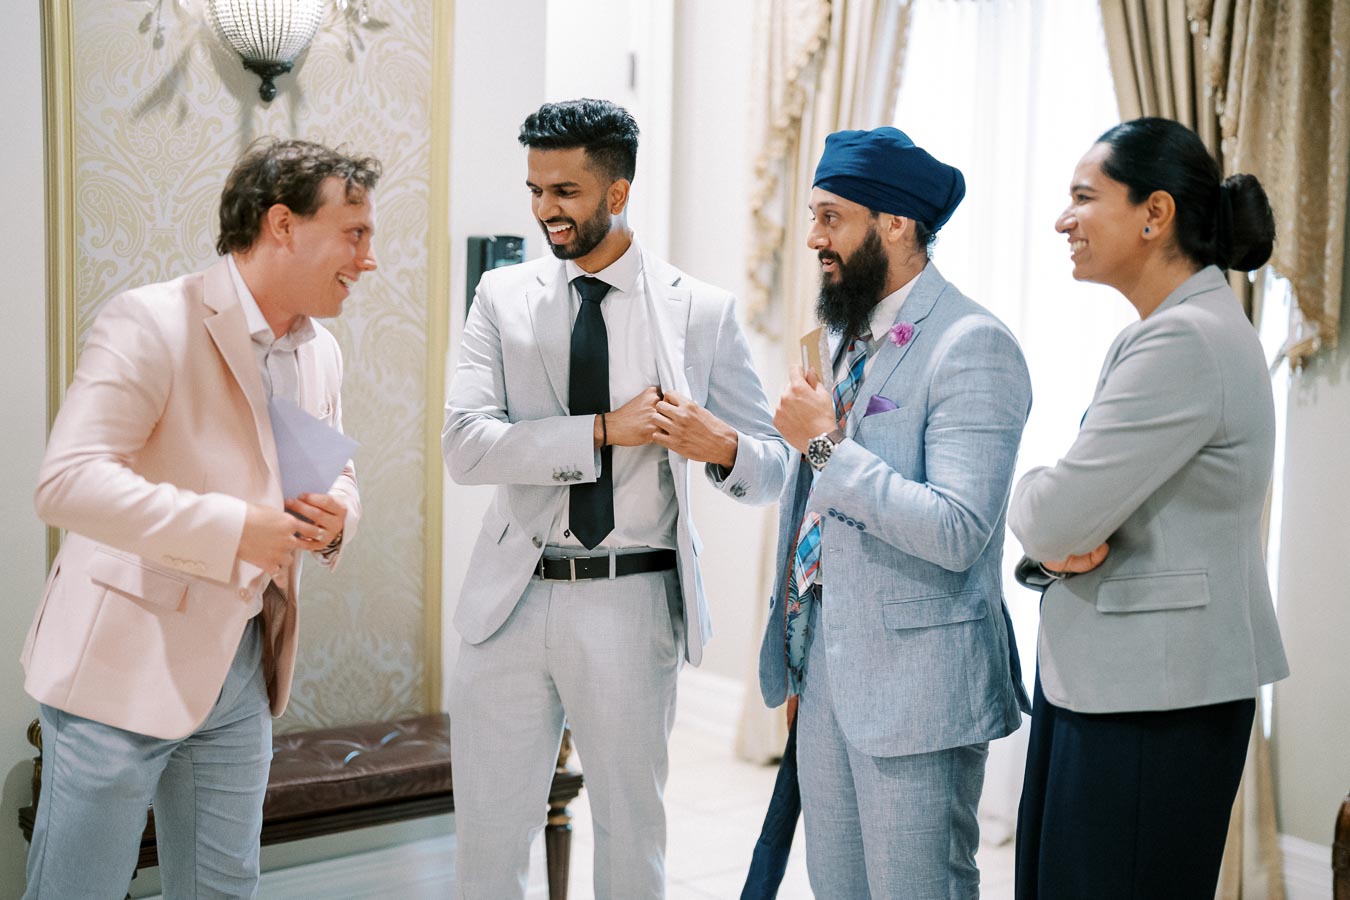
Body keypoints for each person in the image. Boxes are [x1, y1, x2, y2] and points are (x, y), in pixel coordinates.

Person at [442, 98, 789, 899]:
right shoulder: (501, 298)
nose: (543, 212)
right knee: (489, 841)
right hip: (509, 603)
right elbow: (465, 446)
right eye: (535, 189)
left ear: (618, 192)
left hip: (630, 602)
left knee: (633, 838)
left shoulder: (699, 313)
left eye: (564, 191)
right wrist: (600, 431)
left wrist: (722, 447)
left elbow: (772, 466)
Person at [21, 138, 377, 898]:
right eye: (355, 233)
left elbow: (337, 467)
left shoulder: (322, 352)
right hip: (118, 667)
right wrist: (232, 529)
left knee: (223, 890)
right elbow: (67, 483)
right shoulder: (148, 321)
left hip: (243, 669)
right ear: (283, 224)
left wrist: (340, 512)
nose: (368, 258)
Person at [1009, 116, 1289, 899]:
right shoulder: (1181, 330)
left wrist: (1032, 493)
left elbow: (1058, 514)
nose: (1065, 219)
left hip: (1150, 705)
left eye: (1083, 197)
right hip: (1129, 690)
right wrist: (1057, 527)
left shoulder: (1184, 343)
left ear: (1154, 213)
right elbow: (1074, 521)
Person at [760, 126, 1032, 898]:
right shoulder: (844, 335)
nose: (813, 237)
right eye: (812, 215)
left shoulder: (973, 344)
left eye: (831, 217)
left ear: (896, 225)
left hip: (919, 689)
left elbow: (956, 531)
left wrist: (821, 448)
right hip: (825, 670)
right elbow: (817, 494)